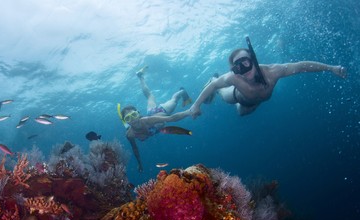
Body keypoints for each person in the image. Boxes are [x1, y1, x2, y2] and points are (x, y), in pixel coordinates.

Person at [190, 44, 347, 117]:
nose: (244, 69)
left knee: (244, 113)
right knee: (227, 97)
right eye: (238, 67)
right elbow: (214, 86)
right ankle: (213, 75)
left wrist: (330, 68)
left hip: (257, 101)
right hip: (237, 96)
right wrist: (196, 105)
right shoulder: (233, 78)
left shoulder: (273, 71)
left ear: (254, 60)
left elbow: (300, 66)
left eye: (245, 62)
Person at [120, 66, 192, 172]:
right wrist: (139, 163)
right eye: (128, 118)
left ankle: (182, 92)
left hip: (159, 113)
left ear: (138, 114)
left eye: (134, 115)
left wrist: (189, 111)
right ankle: (140, 76)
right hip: (151, 114)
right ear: (126, 121)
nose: (133, 119)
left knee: (174, 100)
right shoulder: (129, 135)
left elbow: (171, 118)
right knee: (149, 96)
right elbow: (135, 149)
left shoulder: (147, 120)